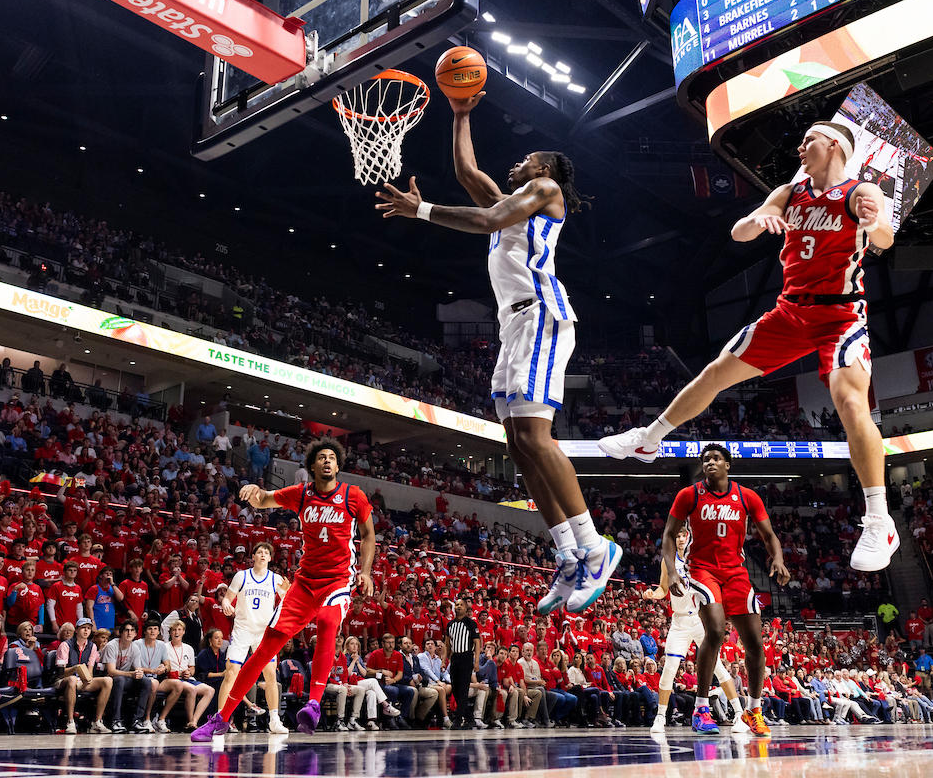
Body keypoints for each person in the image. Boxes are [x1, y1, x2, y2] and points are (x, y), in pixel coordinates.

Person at [599, 121, 898, 573]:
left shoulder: (860, 192)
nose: (800, 146)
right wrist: (758, 219)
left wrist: (875, 221)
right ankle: (646, 441)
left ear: (834, 144)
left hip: (839, 315)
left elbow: (885, 239)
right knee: (715, 372)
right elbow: (738, 232)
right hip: (790, 312)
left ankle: (879, 521)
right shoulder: (790, 191)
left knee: (850, 402)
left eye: (809, 139)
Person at [374, 92, 619, 615]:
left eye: (528, 158)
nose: (519, 163)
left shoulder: (545, 187)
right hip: (514, 327)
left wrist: (419, 210)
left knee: (536, 435)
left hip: (541, 315)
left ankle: (597, 547)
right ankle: (568, 554)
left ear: (546, 169)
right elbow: (467, 170)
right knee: (517, 444)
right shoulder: (513, 209)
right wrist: (461, 113)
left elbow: (485, 220)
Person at [192, 438, 377, 741]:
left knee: (329, 623)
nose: (328, 461)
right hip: (304, 582)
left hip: (337, 580)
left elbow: (368, 535)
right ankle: (222, 718)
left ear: (338, 465)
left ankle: (314, 703)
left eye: (332, 457)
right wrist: (254, 493)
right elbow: (265, 499)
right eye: (322, 458)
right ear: (312, 466)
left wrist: (366, 572)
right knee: (265, 650)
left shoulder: (352, 495)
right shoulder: (301, 494)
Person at [660, 444, 789, 736]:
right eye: (705, 459)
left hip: (736, 572)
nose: (710, 463)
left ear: (728, 465)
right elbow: (668, 535)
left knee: (755, 643)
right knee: (716, 631)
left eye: (717, 458)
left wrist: (778, 559)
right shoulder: (689, 495)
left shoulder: (747, 496)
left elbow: (769, 535)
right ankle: (701, 709)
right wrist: (671, 571)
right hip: (703, 569)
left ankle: (753, 710)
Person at [643, 526, 750, 733]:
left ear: (689, 537)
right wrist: (652, 594)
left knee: (717, 667)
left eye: (684, 535)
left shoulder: (699, 560)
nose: (681, 538)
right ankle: (660, 718)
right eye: (678, 535)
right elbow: (663, 589)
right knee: (669, 668)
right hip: (680, 622)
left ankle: (739, 714)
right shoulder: (669, 561)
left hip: (700, 621)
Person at [211, 541, 288, 734]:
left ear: (270, 558)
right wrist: (226, 604)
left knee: (271, 675)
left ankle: (274, 720)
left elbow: (288, 601)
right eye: (259, 552)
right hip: (243, 630)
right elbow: (227, 597)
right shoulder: (241, 576)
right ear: (253, 556)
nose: (263, 555)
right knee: (231, 674)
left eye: (266, 553)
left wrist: (287, 591)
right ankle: (221, 719)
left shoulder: (275, 578)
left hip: (264, 633)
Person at [53, 618, 114, 734]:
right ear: (76, 630)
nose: (86, 631)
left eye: (89, 628)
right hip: (63, 680)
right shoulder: (65, 645)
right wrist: (75, 668)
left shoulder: (92, 647)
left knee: (108, 680)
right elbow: (60, 672)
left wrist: (88, 678)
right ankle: (70, 722)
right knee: (72, 679)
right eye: (83, 628)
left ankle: (97, 722)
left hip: (81, 681)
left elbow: (90, 670)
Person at [444, 597, 481, 729]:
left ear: (466, 608)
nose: (458, 606)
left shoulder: (471, 624)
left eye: (461, 605)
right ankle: (470, 719)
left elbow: (477, 643)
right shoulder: (450, 624)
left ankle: (458, 719)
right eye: (457, 604)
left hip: (466, 657)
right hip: (455, 658)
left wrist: (476, 661)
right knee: (455, 689)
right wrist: (444, 660)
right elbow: (447, 644)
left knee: (463, 690)